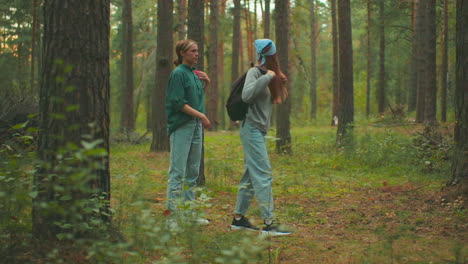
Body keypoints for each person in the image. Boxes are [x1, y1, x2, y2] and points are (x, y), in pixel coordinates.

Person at [230, 39, 291, 236]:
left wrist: (278, 82)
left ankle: (238, 219)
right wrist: (267, 78)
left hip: (258, 131)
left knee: (250, 176)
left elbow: (273, 100)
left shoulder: (266, 75)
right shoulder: (254, 73)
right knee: (263, 174)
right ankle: (269, 223)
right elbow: (247, 95)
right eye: (272, 55)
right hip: (252, 129)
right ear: (266, 55)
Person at [165, 39, 211, 225]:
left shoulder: (194, 74)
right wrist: (202, 116)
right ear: (182, 53)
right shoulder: (178, 74)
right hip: (182, 126)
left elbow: (196, 98)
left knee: (192, 172)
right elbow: (178, 103)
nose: (197, 54)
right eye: (193, 51)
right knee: (177, 172)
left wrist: (206, 83)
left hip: (195, 127)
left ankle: (188, 214)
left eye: (197, 50)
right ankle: (173, 217)